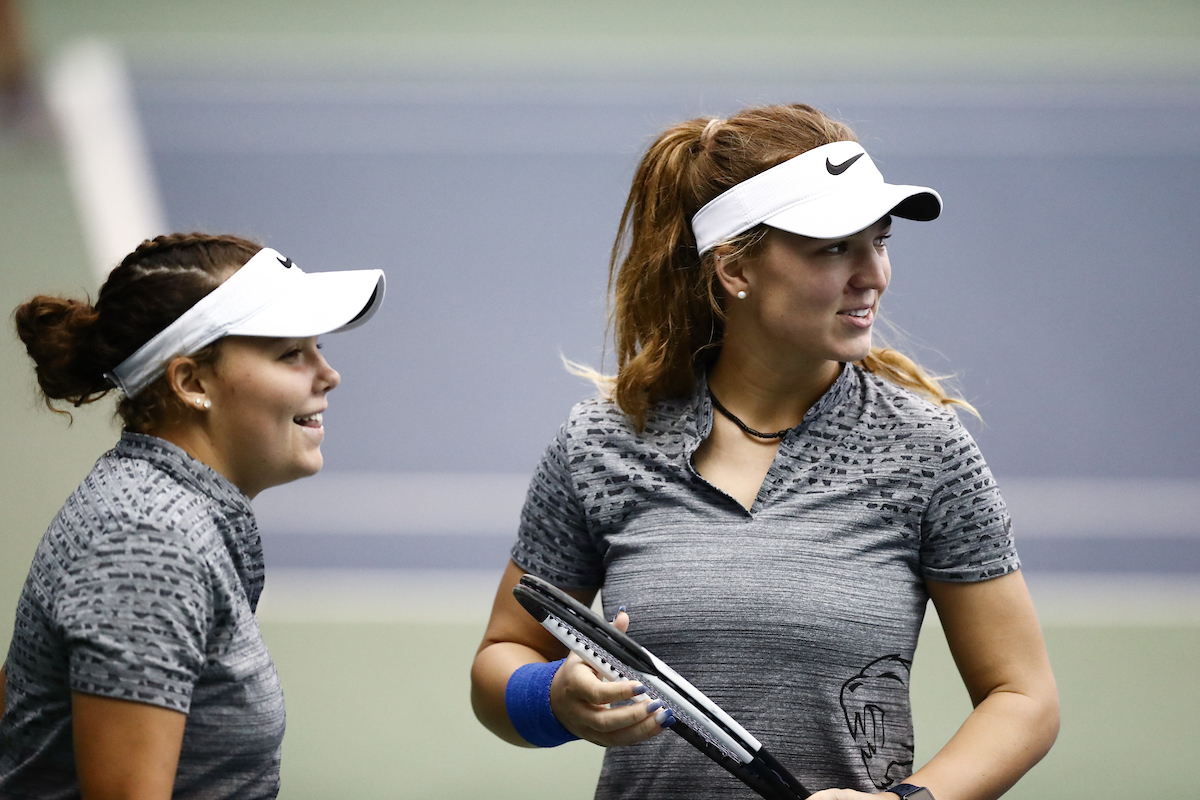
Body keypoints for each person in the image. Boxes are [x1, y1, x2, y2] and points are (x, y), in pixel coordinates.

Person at [471, 104, 1059, 800]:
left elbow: (1023, 696)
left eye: (881, 240)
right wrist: (555, 698)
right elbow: (502, 660)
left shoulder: (927, 450)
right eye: (835, 246)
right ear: (735, 268)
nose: (873, 273)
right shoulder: (600, 443)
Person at [0, 233, 385, 798]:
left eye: (317, 348)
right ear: (192, 383)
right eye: (291, 354)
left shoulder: (159, 513)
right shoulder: (146, 545)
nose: (328, 375)